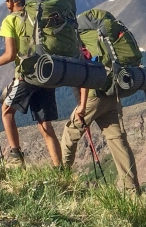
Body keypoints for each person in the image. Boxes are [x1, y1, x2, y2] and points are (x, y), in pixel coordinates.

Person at [0, 0, 62, 167]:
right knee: (45, 125)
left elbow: (10, 54)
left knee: (6, 111)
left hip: (27, 75)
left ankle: (16, 155)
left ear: (10, 1)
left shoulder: (11, 21)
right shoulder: (39, 18)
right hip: (46, 73)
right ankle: (59, 168)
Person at [60, 47, 140, 192]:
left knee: (70, 132)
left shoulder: (81, 44)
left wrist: (82, 106)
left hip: (93, 96)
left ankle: (61, 178)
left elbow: (86, 73)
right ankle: (131, 189)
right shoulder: (100, 42)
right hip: (111, 95)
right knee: (117, 141)